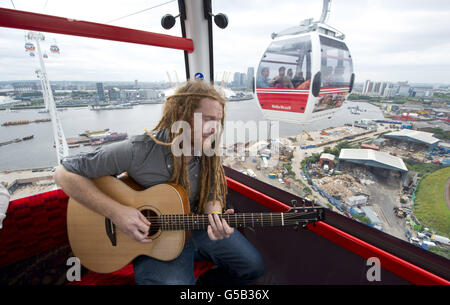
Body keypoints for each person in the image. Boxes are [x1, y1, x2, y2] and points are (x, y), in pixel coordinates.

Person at [54, 80, 264, 285]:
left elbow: (212, 194)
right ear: (182, 113)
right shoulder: (139, 149)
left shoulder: (209, 151)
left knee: (253, 266)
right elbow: (63, 173)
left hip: (196, 228)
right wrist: (117, 213)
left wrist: (215, 215)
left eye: (218, 121)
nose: (214, 128)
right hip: (151, 239)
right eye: (207, 119)